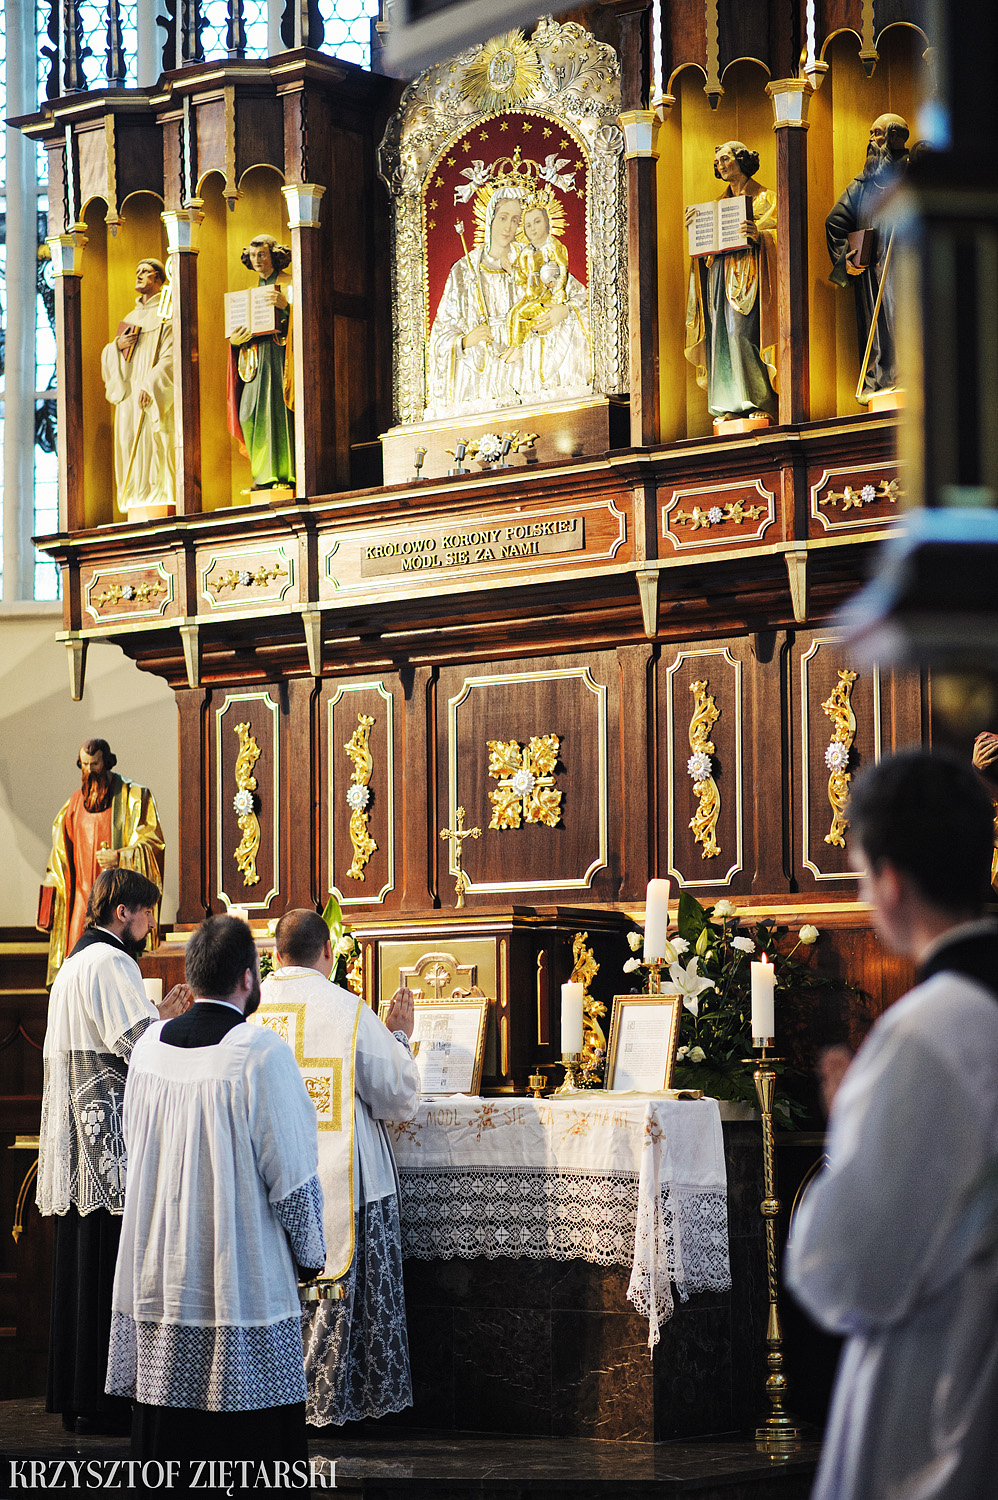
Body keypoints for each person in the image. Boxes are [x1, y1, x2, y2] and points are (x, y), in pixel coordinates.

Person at [785, 750, 998, 1500]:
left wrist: (850, 1133)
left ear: (892, 880)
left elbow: (848, 1275)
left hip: (941, 1407)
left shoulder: (923, 1039)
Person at [107, 914, 326, 1472]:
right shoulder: (259, 1053)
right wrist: (311, 1258)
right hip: (238, 1285)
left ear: (192, 974)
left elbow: (134, 1147)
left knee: (171, 1452)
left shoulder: (150, 1050)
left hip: (162, 1277)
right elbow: (293, 1175)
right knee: (245, 1454)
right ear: (249, 979)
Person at [36, 868, 190, 1435]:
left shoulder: (72, 966)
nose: (152, 924)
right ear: (123, 911)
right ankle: (102, 1400)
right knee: (105, 1266)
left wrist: (157, 1019)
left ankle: (77, 1396)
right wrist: (170, 1019)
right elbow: (136, 1047)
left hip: (78, 1142)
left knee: (81, 1265)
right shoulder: (112, 963)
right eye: (147, 911)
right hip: (109, 1146)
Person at [256, 908, 420, 1428]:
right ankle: (352, 1406)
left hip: (266, 1188)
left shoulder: (248, 1013)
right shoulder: (350, 1011)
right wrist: (397, 1037)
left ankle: (272, 1402)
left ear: (275, 955)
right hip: (348, 1188)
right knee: (350, 1292)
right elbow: (398, 1097)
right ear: (328, 952)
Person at [425, 186, 591, 419]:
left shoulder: (534, 258)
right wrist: (464, 341)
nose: (508, 227)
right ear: (490, 218)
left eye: (515, 220)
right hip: (482, 368)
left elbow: (580, 297)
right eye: (503, 218)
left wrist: (562, 312)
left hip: (528, 360)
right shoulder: (464, 270)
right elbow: (442, 332)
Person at [41, 738, 165, 985]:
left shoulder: (134, 798)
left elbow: (152, 845)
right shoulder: (72, 806)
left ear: (106, 763)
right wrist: (48, 907)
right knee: (75, 974)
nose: (89, 771)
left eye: (94, 764)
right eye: (84, 765)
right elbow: (58, 861)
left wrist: (121, 857)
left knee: (115, 974)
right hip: (80, 903)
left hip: (116, 907)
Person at [685, 141, 778, 424]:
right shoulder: (716, 206)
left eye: (726, 159)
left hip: (750, 275)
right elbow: (703, 253)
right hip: (719, 276)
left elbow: (783, 236)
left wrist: (760, 234)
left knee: (742, 334)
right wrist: (697, 231)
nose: (721, 166)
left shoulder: (767, 198)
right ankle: (728, 404)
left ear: (742, 160)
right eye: (717, 163)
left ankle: (759, 401)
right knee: (721, 337)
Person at [825, 115, 909, 402]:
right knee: (880, 320)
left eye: (879, 133)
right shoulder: (862, 184)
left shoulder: (912, 172)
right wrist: (846, 259)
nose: (871, 140)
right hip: (874, 267)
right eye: (871, 133)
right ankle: (882, 381)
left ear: (897, 137)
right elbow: (834, 221)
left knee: (904, 314)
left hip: (907, 260)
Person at [100, 259, 175, 516]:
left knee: (154, 442)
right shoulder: (130, 319)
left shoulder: (166, 314)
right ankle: (135, 495)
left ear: (158, 278)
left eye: (145, 271)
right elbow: (112, 358)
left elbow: (171, 356)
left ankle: (156, 494)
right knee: (127, 439)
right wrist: (117, 347)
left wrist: (151, 384)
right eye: (137, 270)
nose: (139, 275)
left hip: (151, 393)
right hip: (129, 393)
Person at [227, 234, 295, 489]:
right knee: (250, 413)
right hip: (255, 360)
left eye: (262, 254)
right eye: (253, 255)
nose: (257, 260)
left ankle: (285, 475)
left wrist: (286, 306)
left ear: (274, 256)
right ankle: (262, 475)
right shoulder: (250, 293)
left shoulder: (290, 284)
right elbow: (238, 332)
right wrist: (234, 342)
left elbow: (307, 317)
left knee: (278, 411)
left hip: (281, 357)